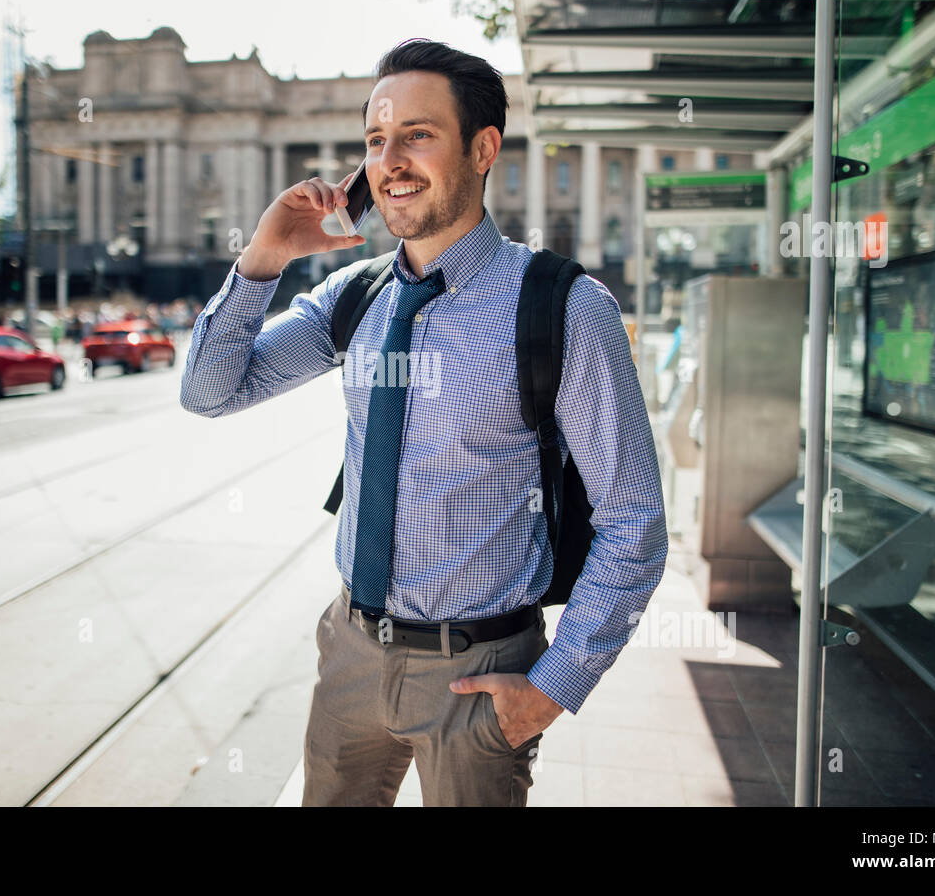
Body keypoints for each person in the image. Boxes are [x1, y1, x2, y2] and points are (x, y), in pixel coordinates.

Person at [179, 39, 667, 807]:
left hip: (479, 675)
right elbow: (209, 392)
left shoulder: (566, 308)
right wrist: (262, 259)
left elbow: (635, 519)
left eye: (417, 134)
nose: (391, 160)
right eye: (377, 140)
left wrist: (554, 686)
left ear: (483, 148)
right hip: (349, 657)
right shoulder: (354, 297)